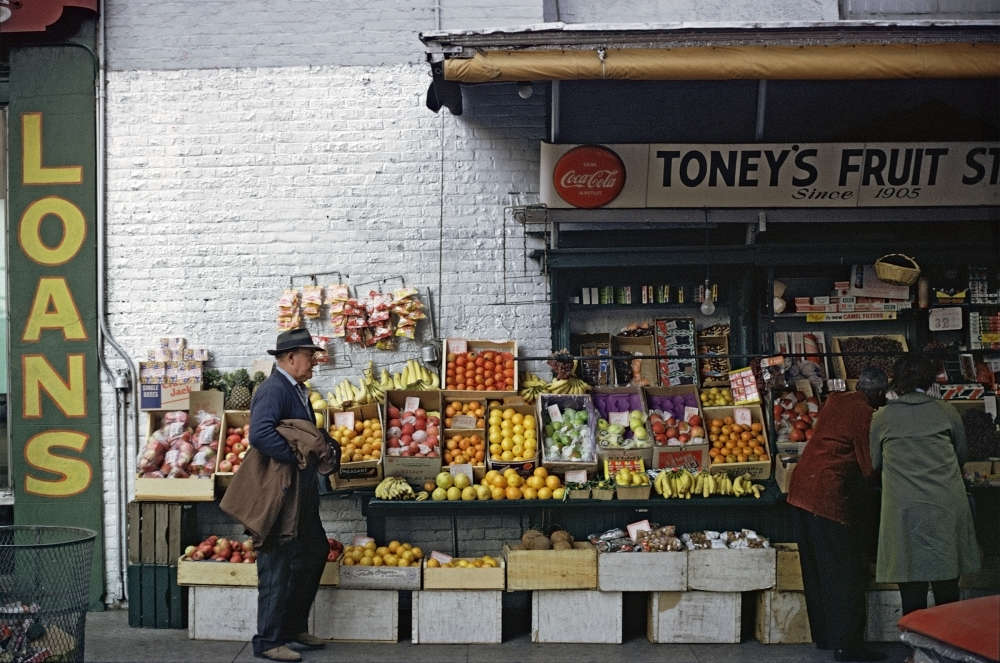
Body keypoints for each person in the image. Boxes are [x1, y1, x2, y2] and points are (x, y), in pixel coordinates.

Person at [787, 367, 888, 663]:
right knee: (844, 573)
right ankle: (849, 646)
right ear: (878, 394)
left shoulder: (837, 400)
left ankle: (826, 637)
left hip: (801, 491)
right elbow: (869, 466)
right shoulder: (864, 413)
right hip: (827, 496)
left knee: (818, 571)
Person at [870, 354, 980, 616]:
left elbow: (875, 463)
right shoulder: (946, 410)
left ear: (896, 381)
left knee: (910, 581)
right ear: (929, 379)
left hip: (903, 509)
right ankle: (947, 647)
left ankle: (916, 652)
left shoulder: (882, 417)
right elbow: (961, 454)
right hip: (945, 505)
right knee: (947, 579)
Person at [247, 328, 331, 662]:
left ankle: (292, 628)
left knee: (314, 551)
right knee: (276, 563)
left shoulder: (298, 390)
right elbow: (260, 434)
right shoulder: (274, 389)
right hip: (280, 494)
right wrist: (297, 457)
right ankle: (268, 640)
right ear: (291, 357)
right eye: (310, 356)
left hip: (299, 494)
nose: (314, 361)